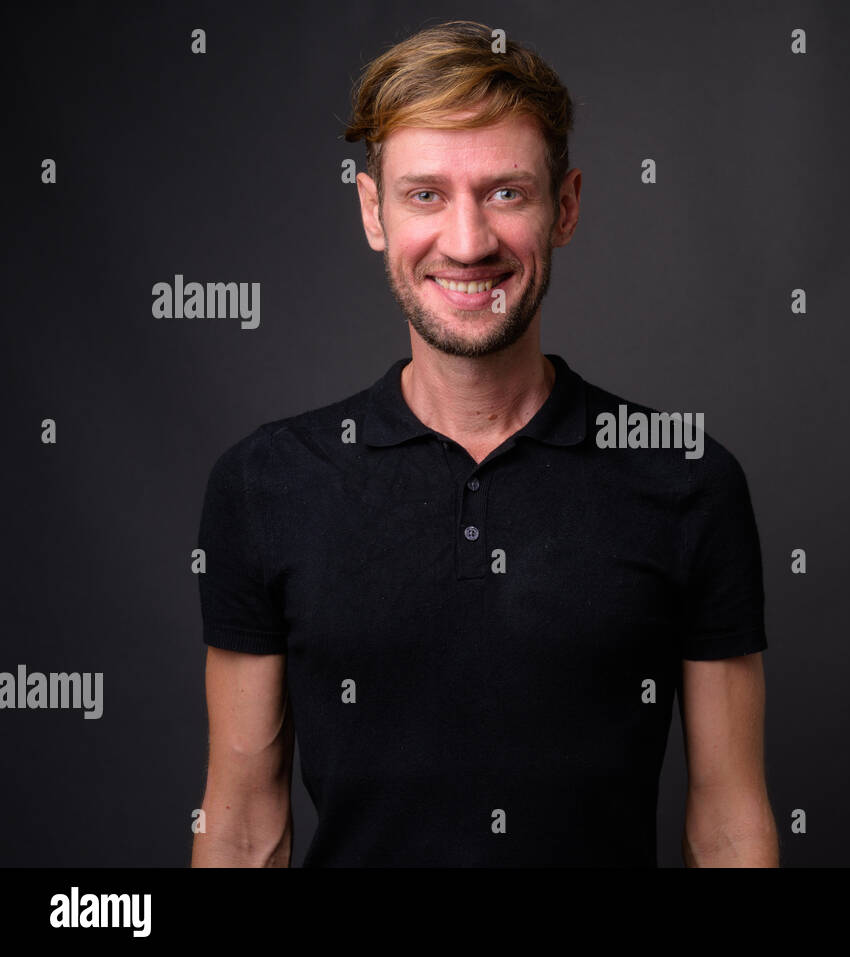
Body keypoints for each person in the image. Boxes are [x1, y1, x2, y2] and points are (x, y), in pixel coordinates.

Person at [191, 19, 777, 867]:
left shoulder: (688, 480)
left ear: (565, 206)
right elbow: (242, 826)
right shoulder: (265, 484)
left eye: (505, 192)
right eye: (425, 194)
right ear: (373, 211)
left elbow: (730, 824)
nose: (467, 243)